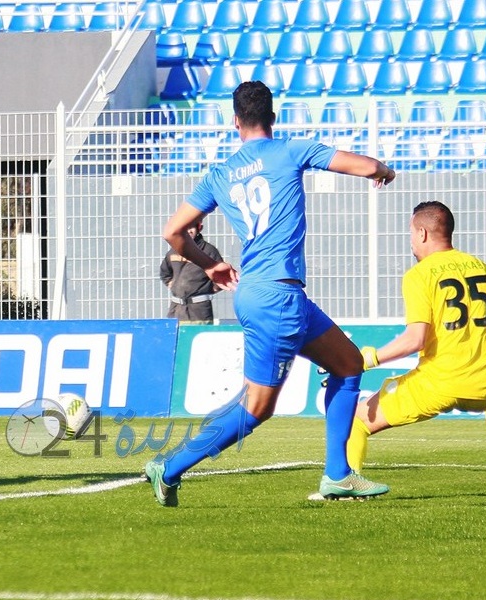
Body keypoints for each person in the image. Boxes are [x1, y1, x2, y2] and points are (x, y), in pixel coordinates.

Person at [143, 80, 396, 507]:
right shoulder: (292, 150)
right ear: (273, 118)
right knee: (258, 408)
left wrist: (210, 265)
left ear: (235, 122)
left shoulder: (220, 174)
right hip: (277, 296)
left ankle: (338, 475)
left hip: (267, 293)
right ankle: (168, 467)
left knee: (349, 364)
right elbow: (368, 167)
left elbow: (172, 232)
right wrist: (384, 170)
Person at [347, 200, 486, 489]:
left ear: (421, 233)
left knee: (356, 420)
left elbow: (415, 339)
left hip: (439, 386)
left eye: (410, 234)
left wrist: (365, 359)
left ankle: (349, 483)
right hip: (484, 387)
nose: (410, 242)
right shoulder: (481, 268)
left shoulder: (418, 275)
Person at [159, 220, 223, 324]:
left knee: (199, 338)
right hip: (176, 310)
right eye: (185, 228)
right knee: (176, 338)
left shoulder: (209, 251)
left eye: (191, 228)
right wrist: (172, 284)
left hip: (199, 311)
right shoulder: (173, 250)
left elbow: (221, 277)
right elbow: (165, 272)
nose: (188, 231)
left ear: (199, 229)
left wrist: (206, 289)